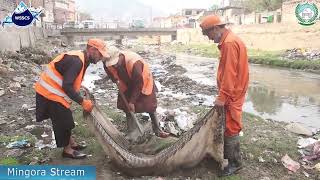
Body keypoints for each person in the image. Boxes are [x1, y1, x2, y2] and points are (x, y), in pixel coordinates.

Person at [35, 39, 109, 159]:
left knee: (65, 118)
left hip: (54, 90)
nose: (101, 57)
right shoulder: (77, 61)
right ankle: (67, 150)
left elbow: (71, 77)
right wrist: (82, 102)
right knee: (64, 121)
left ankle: (72, 143)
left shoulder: (84, 59)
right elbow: (67, 86)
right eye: (100, 54)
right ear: (91, 50)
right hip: (49, 91)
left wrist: (80, 86)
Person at [200, 15, 249, 176]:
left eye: (208, 34)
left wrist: (222, 97)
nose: (209, 38)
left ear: (215, 28)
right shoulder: (229, 40)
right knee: (229, 125)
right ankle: (230, 157)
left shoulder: (229, 43)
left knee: (231, 126)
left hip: (233, 93)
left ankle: (235, 163)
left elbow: (229, 75)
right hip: (235, 91)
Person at [103, 47, 169, 138]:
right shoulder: (107, 61)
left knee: (150, 106)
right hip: (126, 82)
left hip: (143, 82)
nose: (114, 66)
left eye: (115, 63)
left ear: (120, 57)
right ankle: (131, 132)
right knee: (127, 108)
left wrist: (132, 101)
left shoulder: (135, 62)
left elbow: (139, 84)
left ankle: (158, 130)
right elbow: (108, 69)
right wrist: (114, 79)